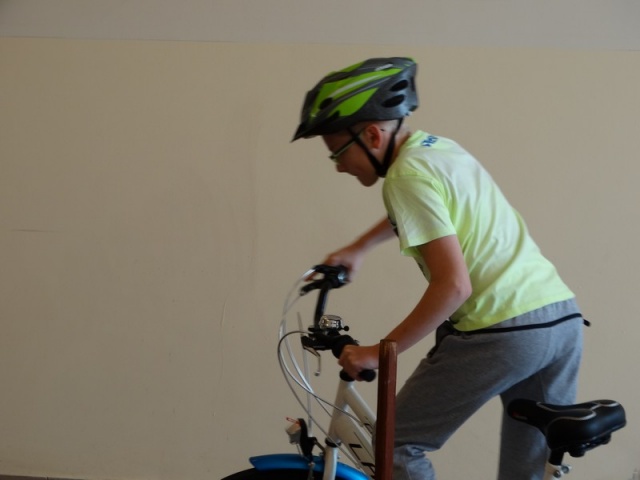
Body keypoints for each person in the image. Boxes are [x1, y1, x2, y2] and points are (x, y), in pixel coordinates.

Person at [291, 57, 586, 480]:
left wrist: (380, 351)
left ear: (372, 134)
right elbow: (434, 211)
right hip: (559, 320)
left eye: (337, 152)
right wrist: (360, 247)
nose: (338, 165)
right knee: (526, 472)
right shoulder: (437, 148)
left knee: (394, 446)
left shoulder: (403, 177)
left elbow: (453, 286)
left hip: (500, 328)